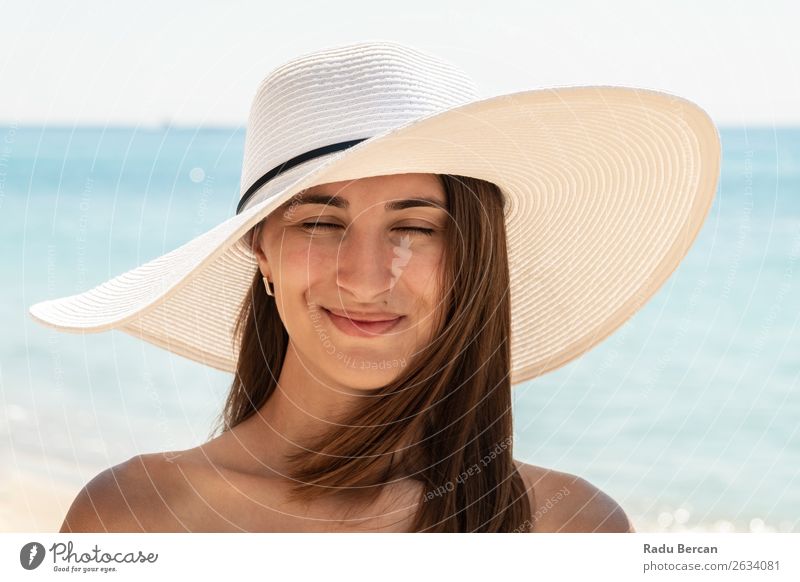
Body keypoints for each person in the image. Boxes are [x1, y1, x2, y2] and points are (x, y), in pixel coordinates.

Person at [30, 40, 720, 533]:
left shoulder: (573, 531)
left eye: (415, 227)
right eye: (321, 221)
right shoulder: (133, 519)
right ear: (259, 248)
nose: (364, 276)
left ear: (469, 257)